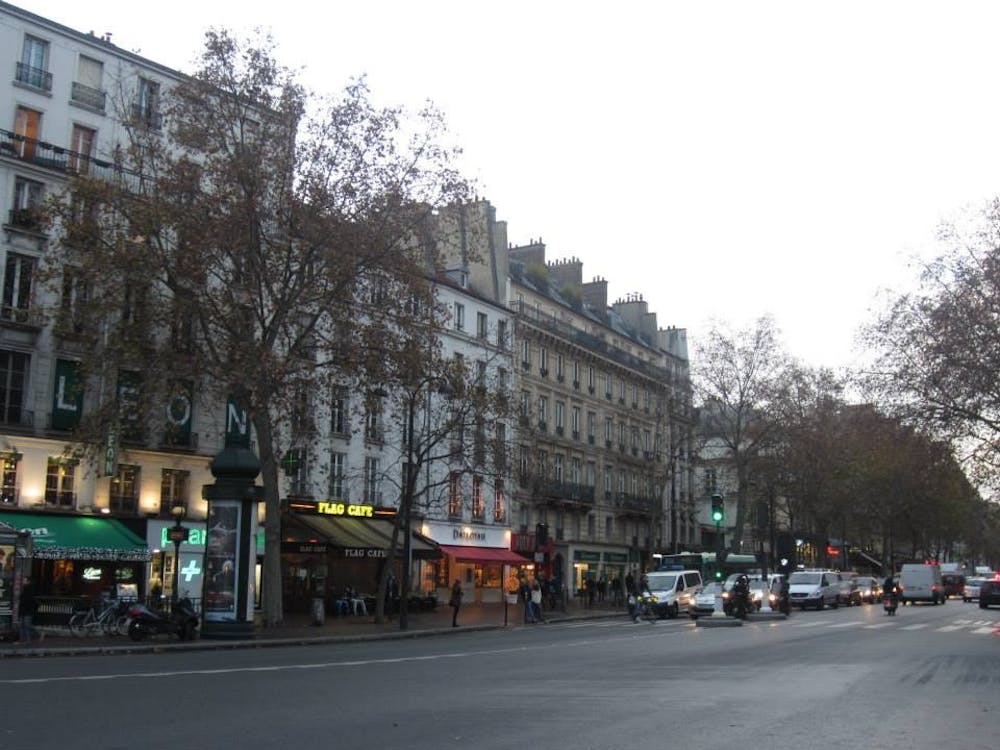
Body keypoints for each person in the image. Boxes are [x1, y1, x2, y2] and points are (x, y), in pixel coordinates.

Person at [18, 576, 37, 643]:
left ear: (28, 582)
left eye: (24, 580)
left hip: (28, 610)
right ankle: (22, 639)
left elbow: (29, 601)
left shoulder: (30, 590)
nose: (23, 582)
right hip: (23, 610)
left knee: (26, 625)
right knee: (22, 625)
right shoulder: (24, 589)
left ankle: (28, 639)